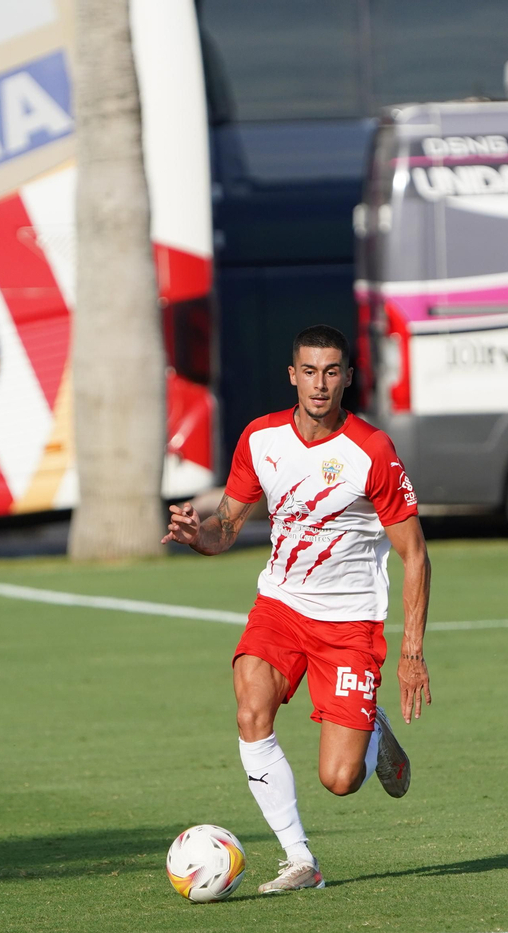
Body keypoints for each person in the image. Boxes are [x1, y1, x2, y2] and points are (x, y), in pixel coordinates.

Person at [163, 324, 431, 893]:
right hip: (280, 606)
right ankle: (299, 859)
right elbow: (227, 528)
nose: (320, 384)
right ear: (292, 375)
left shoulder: (372, 450)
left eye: (332, 371)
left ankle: (374, 736)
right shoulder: (261, 438)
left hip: (349, 624)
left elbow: (416, 555)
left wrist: (412, 652)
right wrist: (196, 535)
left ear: (347, 378)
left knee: (339, 779)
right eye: (309, 371)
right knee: (249, 707)